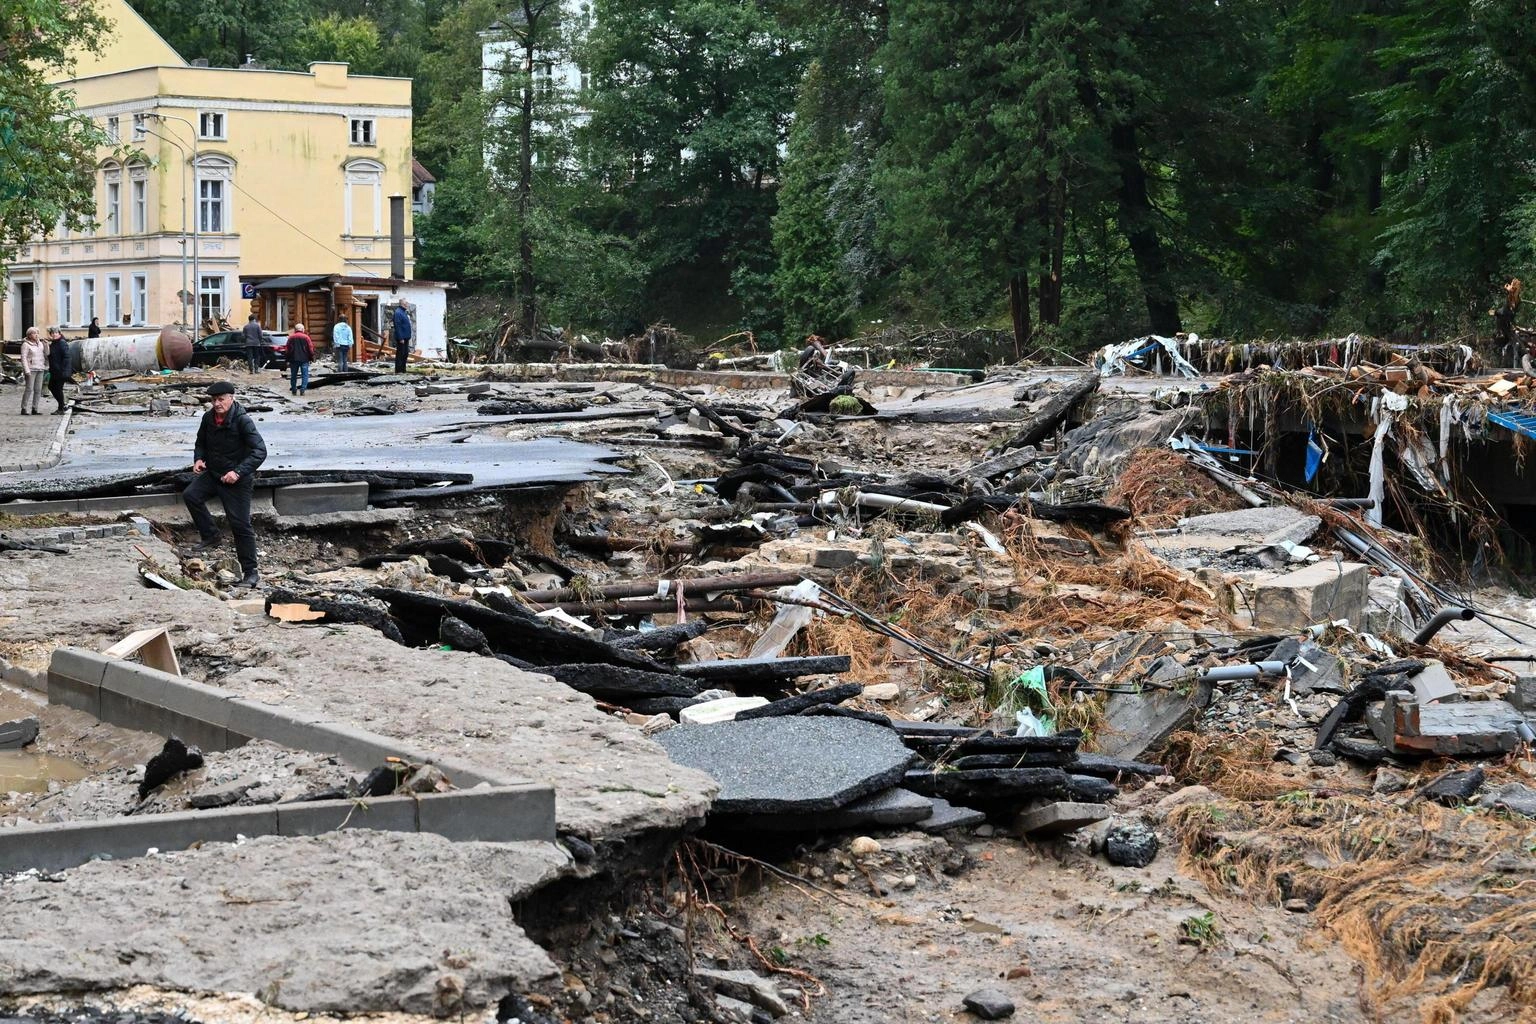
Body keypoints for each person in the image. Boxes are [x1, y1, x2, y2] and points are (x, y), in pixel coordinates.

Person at [184, 381, 266, 589]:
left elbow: (260, 451)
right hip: (214, 473)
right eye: (214, 400)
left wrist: (238, 472)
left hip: (237, 479)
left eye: (221, 399)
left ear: (232, 398)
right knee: (191, 495)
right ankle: (211, 535)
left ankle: (251, 573)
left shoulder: (242, 421)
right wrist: (199, 459)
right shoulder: (208, 418)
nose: (217, 404)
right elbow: (200, 442)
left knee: (240, 524)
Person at [19, 327, 46, 415]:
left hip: (40, 368)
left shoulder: (41, 343)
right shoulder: (26, 345)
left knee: (38, 390)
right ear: (29, 335)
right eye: (34, 333)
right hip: (31, 369)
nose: (36, 335)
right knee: (29, 389)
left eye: (37, 333)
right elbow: (23, 358)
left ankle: (35, 408)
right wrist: (26, 370)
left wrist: (46, 345)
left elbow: (47, 353)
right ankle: (24, 408)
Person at [46, 328, 70, 414]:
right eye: (52, 333)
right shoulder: (54, 343)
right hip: (54, 370)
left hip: (60, 371)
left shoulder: (62, 343)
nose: (54, 334)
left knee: (58, 388)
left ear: (59, 333)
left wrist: (63, 370)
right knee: (51, 386)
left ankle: (61, 408)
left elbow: (66, 357)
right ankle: (62, 405)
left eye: (56, 333)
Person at [286, 323, 314, 395]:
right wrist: (311, 357)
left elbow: (287, 349)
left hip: (293, 359)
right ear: (302, 329)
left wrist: (287, 359)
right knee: (305, 375)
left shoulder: (291, 338)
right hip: (304, 359)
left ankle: (294, 389)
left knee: (293, 375)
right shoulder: (306, 337)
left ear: (295, 330)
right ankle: (303, 389)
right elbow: (310, 348)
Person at [391, 303, 412, 373]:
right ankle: (399, 370)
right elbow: (398, 326)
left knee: (405, 354)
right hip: (402, 338)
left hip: (406, 337)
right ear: (402, 304)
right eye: (406, 303)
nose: (407, 305)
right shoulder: (398, 312)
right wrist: (400, 338)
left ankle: (403, 370)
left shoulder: (403, 312)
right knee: (400, 354)